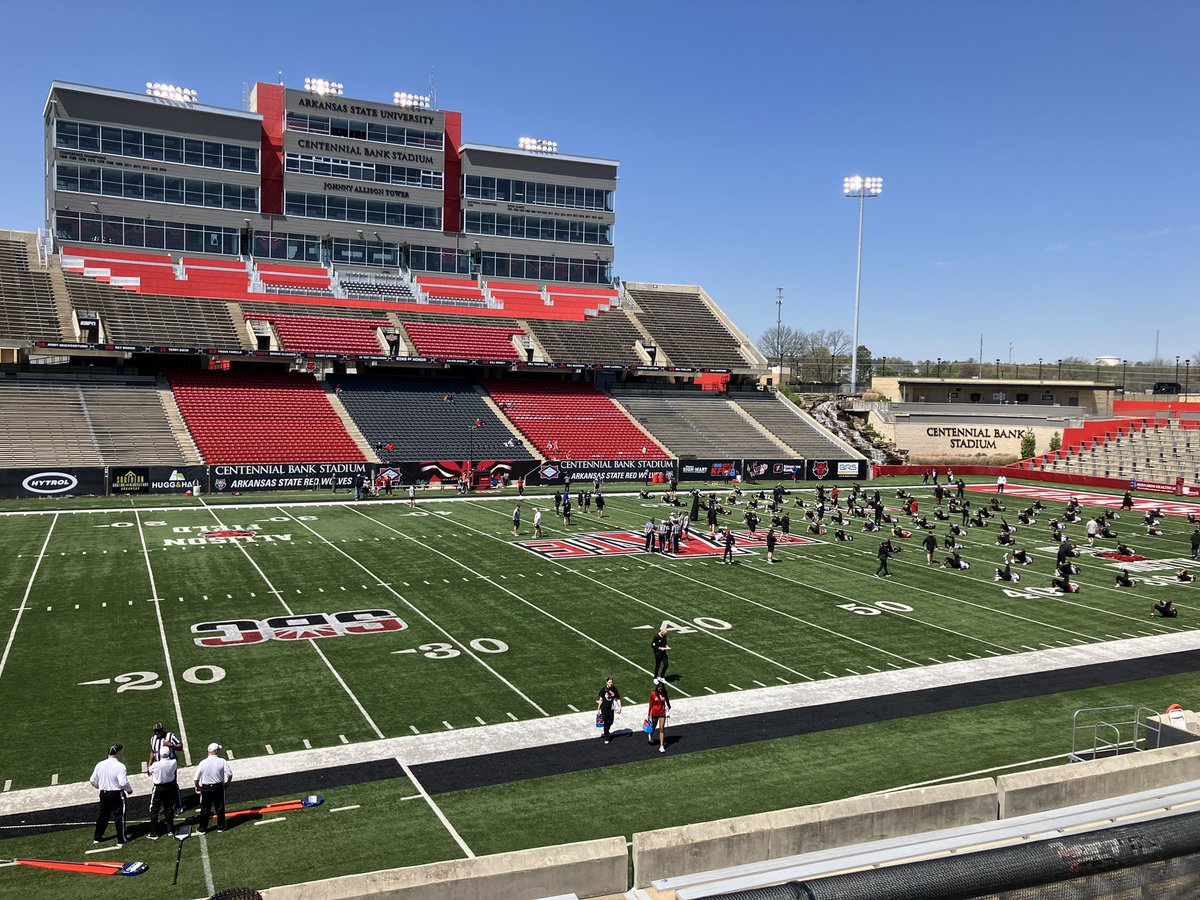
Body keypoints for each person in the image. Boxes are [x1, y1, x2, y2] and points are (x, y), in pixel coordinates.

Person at [90, 744, 133, 846]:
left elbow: (92, 780)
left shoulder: (99, 765)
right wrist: (129, 790)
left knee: (102, 816)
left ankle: (97, 837)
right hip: (116, 794)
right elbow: (123, 783)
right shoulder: (120, 766)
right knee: (119, 817)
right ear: (117, 754)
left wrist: (100, 787)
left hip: (104, 794)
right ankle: (121, 840)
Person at [194, 742, 233, 834]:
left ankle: (203, 828)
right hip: (218, 787)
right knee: (219, 807)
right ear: (216, 751)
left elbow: (196, 778)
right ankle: (221, 826)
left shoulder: (202, 763)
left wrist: (197, 787)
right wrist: (227, 783)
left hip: (206, 788)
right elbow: (230, 774)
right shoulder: (222, 761)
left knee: (205, 809)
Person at [147, 749, 179, 840]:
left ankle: (154, 832)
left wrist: (151, 759)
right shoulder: (173, 762)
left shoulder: (156, 765)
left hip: (159, 788)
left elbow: (149, 771)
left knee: (154, 809)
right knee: (169, 807)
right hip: (170, 786)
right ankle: (170, 829)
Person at [596, 677, 622, 744]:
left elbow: (618, 698)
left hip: (611, 708)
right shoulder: (603, 690)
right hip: (604, 708)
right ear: (607, 682)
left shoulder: (614, 689)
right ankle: (607, 737)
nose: (611, 683)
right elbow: (601, 699)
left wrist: (620, 707)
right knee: (605, 722)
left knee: (611, 721)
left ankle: (606, 731)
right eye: (609, 682)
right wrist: (598, 709)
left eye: (611, 682)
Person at [647, 681, 671, 753]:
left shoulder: (664, 693)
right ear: (657, 688)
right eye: (659, 689)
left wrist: (668, 709)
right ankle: (650, 733)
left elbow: (668, 702)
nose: (660, 690)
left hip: (662, 713)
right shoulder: (653, 694)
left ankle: (661, 746)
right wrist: (648, 714)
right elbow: (650, 705)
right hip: (654, 713)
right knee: (653, 726)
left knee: (662, 728)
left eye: (661, 689)